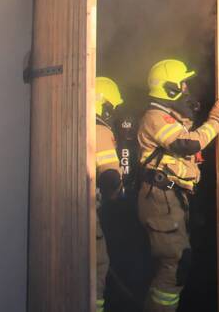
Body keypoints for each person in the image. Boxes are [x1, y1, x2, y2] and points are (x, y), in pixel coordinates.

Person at [138, 59, 219, 311]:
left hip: (171, 199)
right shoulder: (155, 117)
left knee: (179, 262)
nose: (186, 88)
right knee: (176, 263)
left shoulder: (169, 117)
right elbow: (188, 144)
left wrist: (189, 117)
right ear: (170, 88)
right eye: (183, 83)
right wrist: (215, 120)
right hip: (160, 199)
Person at [95, 76, 124, 312]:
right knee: (98, 267)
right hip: (90, 213)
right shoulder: (101, 131)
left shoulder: (72, 122)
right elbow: (110, 176)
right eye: (112, 108)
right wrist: (117, 199)